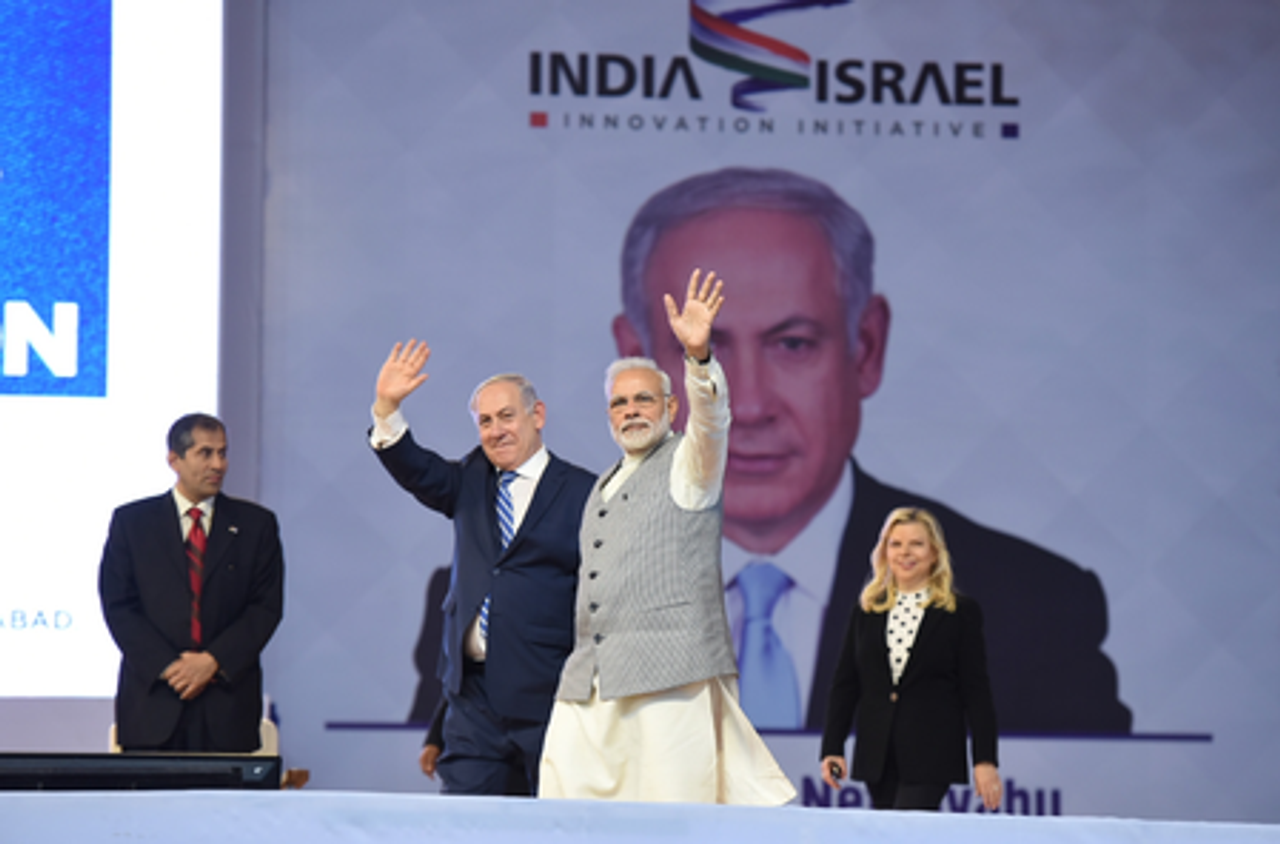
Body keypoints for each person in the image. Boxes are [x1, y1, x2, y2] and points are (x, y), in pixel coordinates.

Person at [611, 166, 1132, 734]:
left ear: (866, 349)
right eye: (703, 352)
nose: (752, 405)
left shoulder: (1026, 610)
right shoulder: (568, 590)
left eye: (792, 344)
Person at [538, 269, 796, 805]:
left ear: (671, 408)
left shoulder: (688, 463)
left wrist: (698, 359)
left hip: (671, 676)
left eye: (644, 400)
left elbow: (712, 423)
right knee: (568, 806)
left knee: (672, 815)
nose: (631, 411)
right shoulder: (603, 483)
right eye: (619, 403)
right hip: (592, 678)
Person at [371, 341, 594, 795]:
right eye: (485, 421)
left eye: (506, 416)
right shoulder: (469, 479)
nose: (496, 431)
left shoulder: (584, 492)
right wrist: (387, 408)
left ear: (537, 415)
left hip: (550, 698)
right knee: (465, 821)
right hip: (472, 702)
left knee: (554, 822)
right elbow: (417, 469)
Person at [98, 413, 284, 752]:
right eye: (205, 453)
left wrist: (212, 662)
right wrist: (171, 668)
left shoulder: (257, 525)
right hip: (153, 705)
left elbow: (265, 608)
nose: (218, 464)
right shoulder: (133, 523)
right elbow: (119, 606)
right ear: (175, 459)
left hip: (227, 708)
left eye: (223, 453)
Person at [820, 507, 1002, 811]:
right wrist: (832, 747)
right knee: (888, 831)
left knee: (907, 828)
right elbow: (845, 685)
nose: (905, 552)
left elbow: (976, 690)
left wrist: (985, 760)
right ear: (884, 552)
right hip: (878, 754)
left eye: (916, 544)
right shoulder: (867, 610)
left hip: (932, 754)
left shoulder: (959, 613)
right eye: (896, 544)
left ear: (934, 553)